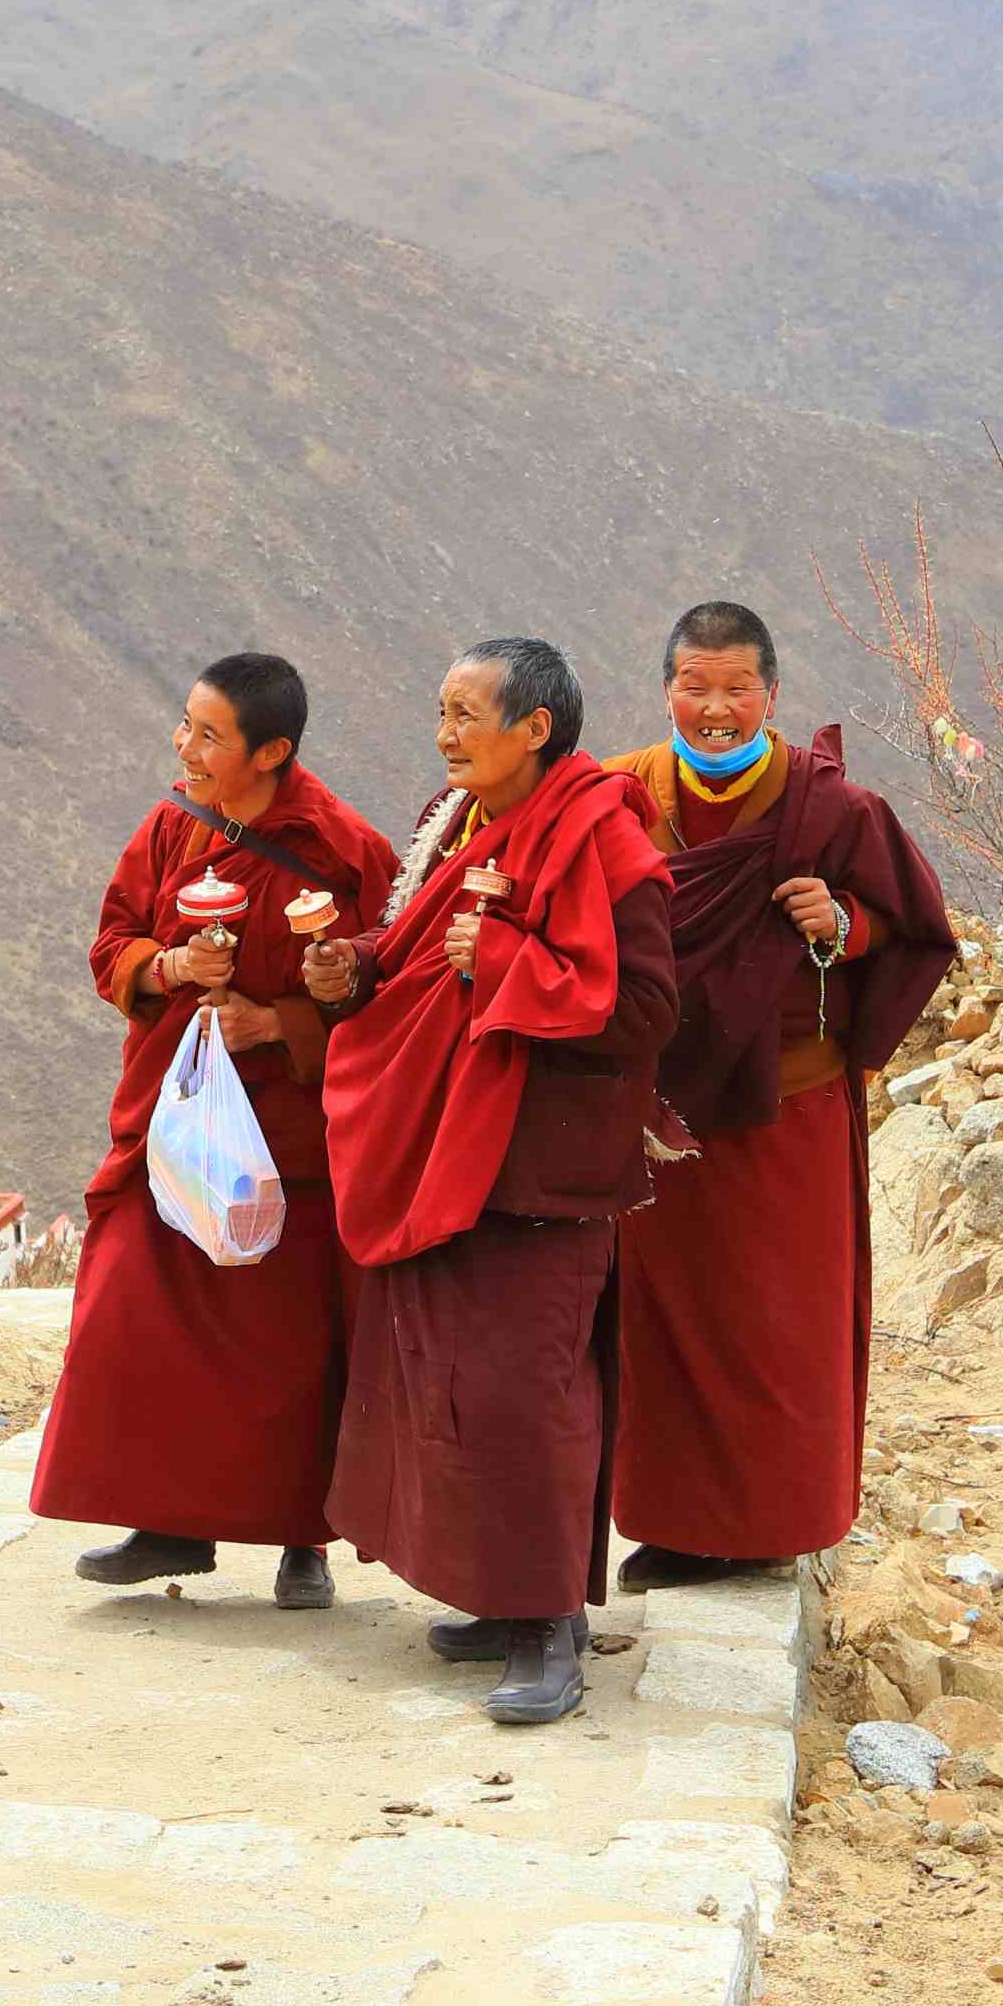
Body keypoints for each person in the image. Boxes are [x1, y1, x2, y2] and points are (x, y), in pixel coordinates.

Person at [303, 637, 675, 1724]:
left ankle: (553, 1622)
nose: (445, 734)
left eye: (467, 715)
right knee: (448, 1383)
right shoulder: (451, 822)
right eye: (442, 711)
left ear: (535, 731)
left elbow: (648, 1013)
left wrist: (506, 964)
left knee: (530, 1393)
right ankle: (491, 1592)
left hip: (541, 1166)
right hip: (439, 1143)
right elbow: (416, 944)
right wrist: (353, 968)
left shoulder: (604, 840)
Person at [32, 651, 398, 1608]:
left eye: (208, 735)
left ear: (271, 752)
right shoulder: (167, 830)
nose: (184, 747)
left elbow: (389, 985)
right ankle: (167, 1522)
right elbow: (111, 944)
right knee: (137, 1315)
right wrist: (168, 968)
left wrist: (281, 1021)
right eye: (185, 725)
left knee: (289, 1343)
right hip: (180, 1123)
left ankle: (302, 1541)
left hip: (290, 1137)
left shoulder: (342, 850)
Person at [600, 600, 954, 1588]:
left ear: (772, 695)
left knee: (773, 1324)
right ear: (667, 687)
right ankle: (672, 1522)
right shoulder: (621, 795)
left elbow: (915, 931)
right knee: (665, 1323)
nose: (716, 709)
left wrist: (842, 924)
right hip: (658, 1113)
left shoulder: (832, 810)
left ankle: (765, 1524)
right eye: (695, 687)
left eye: (736, 689)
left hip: (786, 1109)